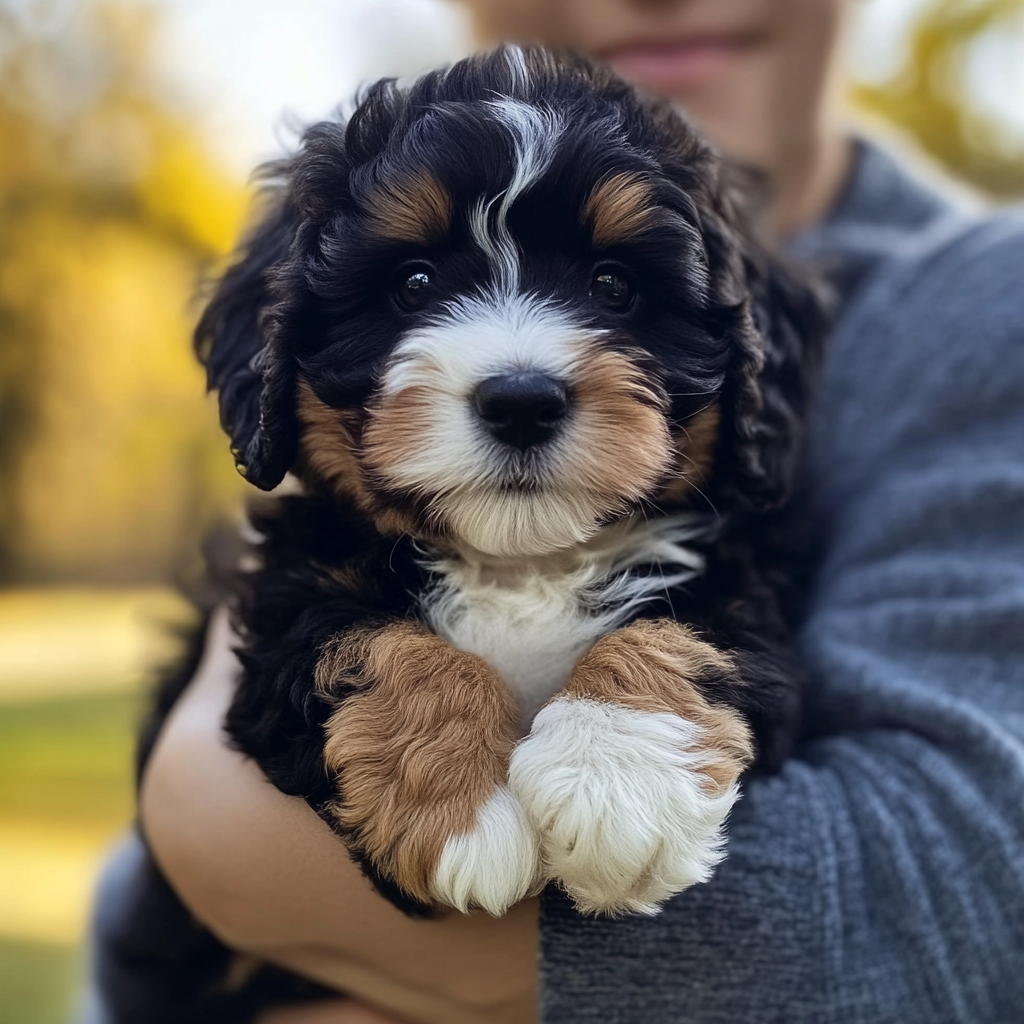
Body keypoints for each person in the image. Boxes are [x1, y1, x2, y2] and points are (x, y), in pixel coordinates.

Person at [89, 1, 1024, 1022]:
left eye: (617, 288)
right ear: (282, 350)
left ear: (745, 358)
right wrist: (410, 719)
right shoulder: (322, 595)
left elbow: (949, 887)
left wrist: (640, 710)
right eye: (411, 282)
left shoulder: (732, 582)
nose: (519, 365)